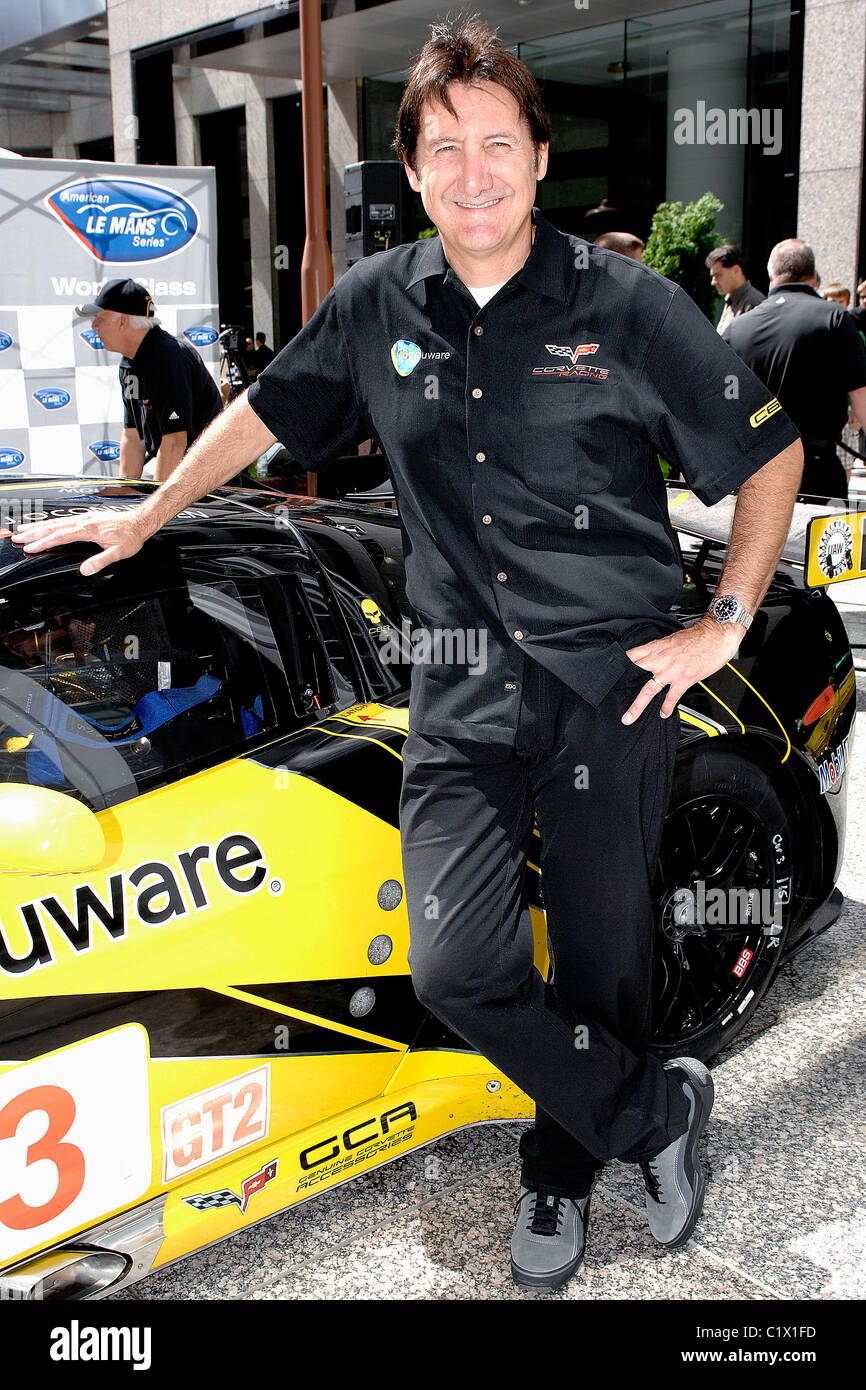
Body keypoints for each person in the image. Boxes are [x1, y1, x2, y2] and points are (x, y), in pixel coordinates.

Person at [12, 14, 804, 1292]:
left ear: (538, 160)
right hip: (459, 694)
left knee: (602, 959)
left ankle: (559, 1165)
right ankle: (653, 1115)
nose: (474, 170)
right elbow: (264, 414)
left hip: (615, 688)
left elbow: (766, 453)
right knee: (462, 967)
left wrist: (723, 617)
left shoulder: (629, 305)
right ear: (416, 170)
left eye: (498, 144)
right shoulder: (377, 300)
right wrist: (151, 510)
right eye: (446, 148)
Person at [723, 239, 866, 503]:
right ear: (813, 276)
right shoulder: (834, 318)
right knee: (822, 544)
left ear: (771, 276)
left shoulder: (738, 328)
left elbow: (725, 403)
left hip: (755, 467)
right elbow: (861, 399)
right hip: (815, 467)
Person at [76, 279, 222, 482]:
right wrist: (124, 496)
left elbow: (174, 443)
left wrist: (155, 508)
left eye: (100, 318)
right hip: (185, 481)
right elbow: (132, 435)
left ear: (122, 321)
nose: (94, 325)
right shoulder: (129, 361)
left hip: (212, 488)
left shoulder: (168, 357)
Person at [706, 245, 765, 334]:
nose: (713, 282)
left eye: (717, 275)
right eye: (713, 276)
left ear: (736, 270)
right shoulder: (730, 299)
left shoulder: (754, 302)